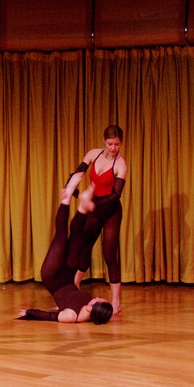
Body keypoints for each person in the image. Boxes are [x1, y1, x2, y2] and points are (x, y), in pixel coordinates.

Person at [18, 179, 114, 324]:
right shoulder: (88, 305)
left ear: (92, 308)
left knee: (61, 236)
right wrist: (61, 306)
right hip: (69, 274)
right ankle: (82, 209)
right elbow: (70, 299)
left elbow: (49, 316)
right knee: (77, 238)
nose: (96, 297)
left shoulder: (71, 316)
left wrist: (29, 312)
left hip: (52, 276)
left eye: (98, 300)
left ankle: (66, 199)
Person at [65, 125, 128, 314]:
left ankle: (116, 301)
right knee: (85, 247)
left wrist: (92, 203)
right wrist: (74, 191)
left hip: (110, 211)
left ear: (121, 143)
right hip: (93, 208)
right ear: (104, 142)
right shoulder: (93, 154)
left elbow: (115, 195)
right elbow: (76, 175)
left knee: (109, 254)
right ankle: (73, 289)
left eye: (117, 144)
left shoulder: (121, 164)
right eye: (110, 144)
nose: (113, 147)